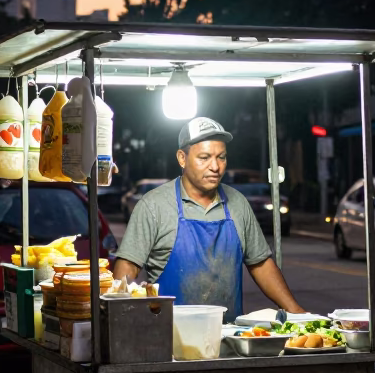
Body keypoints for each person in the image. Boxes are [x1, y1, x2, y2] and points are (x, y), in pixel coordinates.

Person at [113, 116, 307, 322]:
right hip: (169, 337)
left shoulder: (238, 204)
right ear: (182, 158)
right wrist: (119, 312)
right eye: (204, 158)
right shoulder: (154, 205)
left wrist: (297, 312)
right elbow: (128, 266)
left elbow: (260, 263)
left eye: (221, 157)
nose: (215, 166)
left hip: (228, 336)